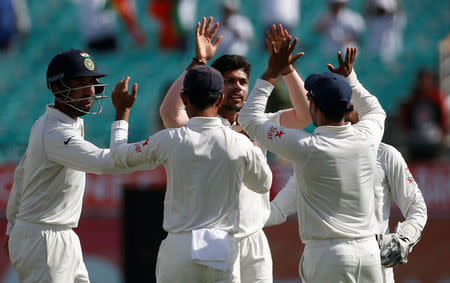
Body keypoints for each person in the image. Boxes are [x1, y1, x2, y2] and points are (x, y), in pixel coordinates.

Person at [159, 18, 311, 282]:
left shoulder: (261, 123)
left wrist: (286, 69)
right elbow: (170, 113)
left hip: (254, 239)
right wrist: (199, 62)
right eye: (229, 81)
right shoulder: (200, 127)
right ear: (216, 87)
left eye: (242, 81)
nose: (238, 87)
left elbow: (304, 115)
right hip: (214, 238)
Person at [109, 65, 273, 282]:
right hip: (222, 247)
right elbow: (263, 184)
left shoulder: (170, 139)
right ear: (220, 99)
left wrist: (122, 112)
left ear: (184, 98)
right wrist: (252, 147)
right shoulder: (240, 143)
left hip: (180, 246)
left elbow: (118, 157)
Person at [239, 43, 386, 282]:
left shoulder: (306, 147)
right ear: (347, 106)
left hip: (329, 256)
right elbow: (375, 110)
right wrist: (352, 79)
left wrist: (272, 73)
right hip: (370, 253)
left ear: (314, 106)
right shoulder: (368, 136)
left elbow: (248, 119)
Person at [2, 49, 141, 282]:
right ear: (57, 89)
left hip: (59, 234)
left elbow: (21, 174)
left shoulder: (58, 122)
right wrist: (122, 114)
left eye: (92, 82)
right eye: (80, 82)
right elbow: (107, 163)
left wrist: (11, 226)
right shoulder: (54, 132)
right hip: (43, 238)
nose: (90, 90)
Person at [266, 107, 428, 283]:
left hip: (372, 261)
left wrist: (405, 237)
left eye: (350, 105)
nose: (345, 110)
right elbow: (277, 209)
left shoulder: (385, 154)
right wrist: (238, 220)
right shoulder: (312, 156)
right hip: (332, 260)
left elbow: (416, 206)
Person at [399, 69, 448, 160]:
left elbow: (443, 117)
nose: (424, 83)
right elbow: (405, 118)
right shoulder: (413, 99)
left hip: (433, 140)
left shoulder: (437, 98)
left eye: (427, 80)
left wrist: (443, 134)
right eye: (422, 80)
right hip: (416, 141)